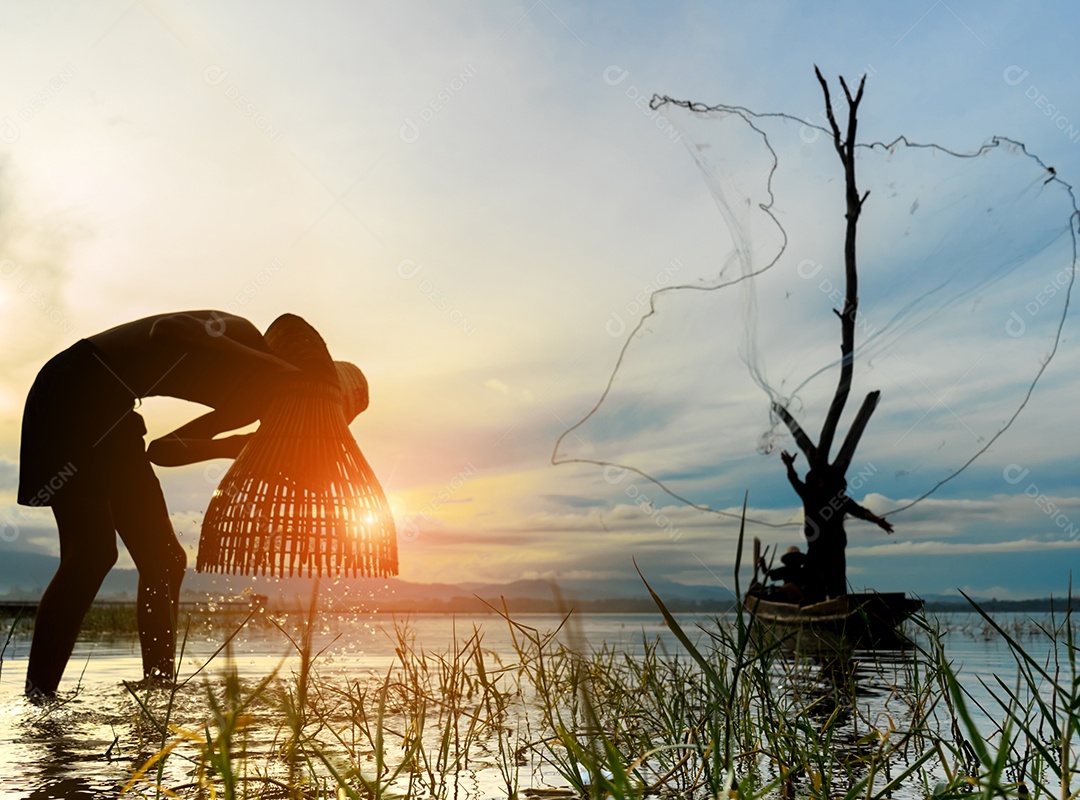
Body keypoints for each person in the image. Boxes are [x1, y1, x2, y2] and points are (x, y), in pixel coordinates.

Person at [18, 311, 366, 699]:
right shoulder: (246, 338)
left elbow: (161, 451)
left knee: (165, 559)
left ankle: (158, 690)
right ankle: (39, 697)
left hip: (114, 412)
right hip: (75, 389)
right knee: (92, 553)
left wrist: (233, 447)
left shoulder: (249, 402)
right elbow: (166, 331)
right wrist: (272, 368)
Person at [780, 450, 893, 602]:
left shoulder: (839, 500)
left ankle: (835, 609)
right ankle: (815, 610)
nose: (821, 482)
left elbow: (860, 511)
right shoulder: (810, 494)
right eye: (819, 479)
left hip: (834, 548)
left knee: (836, 586)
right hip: (817, 548)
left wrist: (878, 520)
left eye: (824, 479)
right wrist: (789, 466)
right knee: (814, 585)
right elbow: (794, 480)